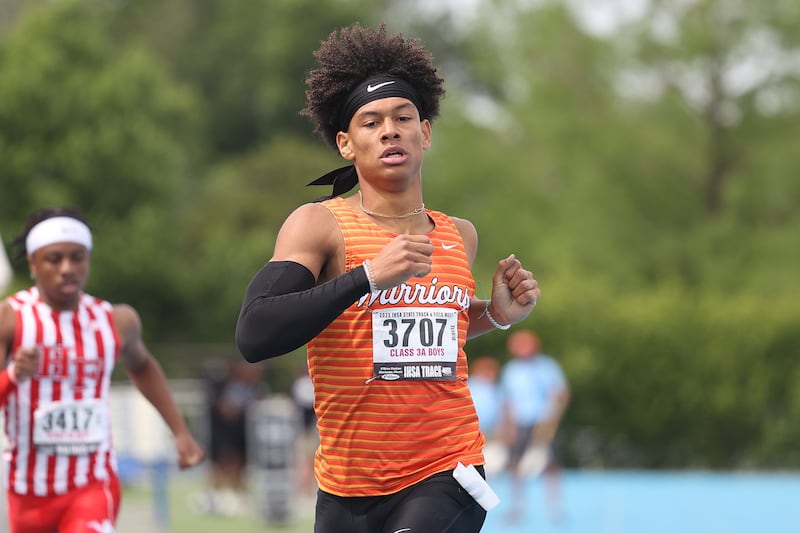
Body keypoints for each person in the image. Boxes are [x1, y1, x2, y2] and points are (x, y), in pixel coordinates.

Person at [235, 23, 541, 533]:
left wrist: (495, 316)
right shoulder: (320, 225)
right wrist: (367, 276)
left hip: (446, 468)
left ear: (425, 132)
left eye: (403, 118)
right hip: (346, 486)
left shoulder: (458, 234)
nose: (389, 130)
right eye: (370, 122)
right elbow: (255, 333)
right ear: (346, 144)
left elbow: (429, 334)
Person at [0, 207, 205, 533]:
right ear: (33, 264)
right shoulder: (10, 318)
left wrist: (179, 431)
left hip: (92, 484)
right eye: (54, 259)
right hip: (28, 490)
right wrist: (12, 375)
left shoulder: (116, 320)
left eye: (77, 257)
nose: (67, 269)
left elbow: (144, 367)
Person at [499, 329, 570, 524]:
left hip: (543, 423)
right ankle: (517, 506)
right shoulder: (511, 369)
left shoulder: (548, 367)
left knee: (551, 464)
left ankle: (555, 508)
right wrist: (508, 428)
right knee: (515, 464)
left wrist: (553, 419)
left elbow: (561, 394)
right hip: (520, 423)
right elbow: (507, 401)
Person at [196, 357, 264, 515]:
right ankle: (211, 496)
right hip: (223, 433)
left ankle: (238, 495)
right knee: (219, 464)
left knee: (239, 465)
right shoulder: (223, 385)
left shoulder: (254, 388)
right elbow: (223, 409)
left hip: (242, 434)